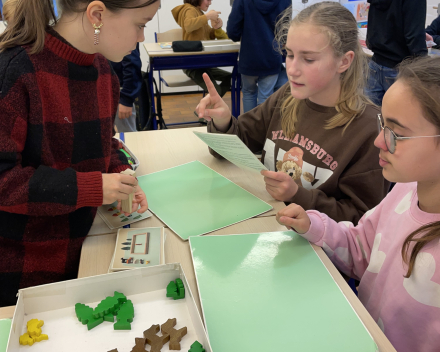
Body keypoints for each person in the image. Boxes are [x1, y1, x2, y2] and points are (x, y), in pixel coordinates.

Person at [0, 0, 158, 307]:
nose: (141, 38)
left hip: (84, 252)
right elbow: (4, 180)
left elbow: (103, 143)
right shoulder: (16, 71)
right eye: (140, 24)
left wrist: (119, 172)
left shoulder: (104, 74)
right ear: (97, 15)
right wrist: (92, 187)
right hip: (24, 276)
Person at [276, 55, 440, 352]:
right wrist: (315, 226)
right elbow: (361, 249)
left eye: (397, 134)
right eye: (383, 125)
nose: (379, 141)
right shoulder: (403, 191)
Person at [196, 2, 389, 225]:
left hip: (318, 251)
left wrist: (297, 195)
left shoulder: (368, 128)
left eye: (308, 59)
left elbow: (361, 220)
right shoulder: (287, 96)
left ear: (344, 61)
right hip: (268, 225)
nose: (292, 69)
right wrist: (223, 121)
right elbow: (235, 146)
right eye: (289, 55)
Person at [226, 0, 290, 112]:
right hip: (272, 56)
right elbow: (285, 29)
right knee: (266, 95)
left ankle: (248, 128)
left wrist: (238, 36)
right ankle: (263, 128)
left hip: (249, 56)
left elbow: (233, 29)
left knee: (248, 93)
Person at [172, 0, 231, 118]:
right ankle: (202, 112)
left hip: (203, 63)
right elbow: (188, 25)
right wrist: (207, 16)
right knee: (216, 91)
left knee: (230, 77)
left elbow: (209, 34)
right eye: (207, 0)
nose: (210, 3)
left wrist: (217, 27)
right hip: (193, 65)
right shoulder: (189, 9)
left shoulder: (199, 12)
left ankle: (204, 110)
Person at [365, 0, 427, 106]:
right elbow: (414, 37)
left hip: (374, 64)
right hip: (399, 68)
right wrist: (425, 69)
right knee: (398, 119)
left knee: (371, 117)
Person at [110, 43, 142, 132]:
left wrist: (126, 99)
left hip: (120, 92)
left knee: (128, 136)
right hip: (102, 90)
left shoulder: (123, 32)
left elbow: (132, 65)